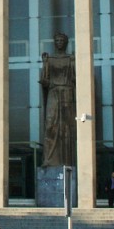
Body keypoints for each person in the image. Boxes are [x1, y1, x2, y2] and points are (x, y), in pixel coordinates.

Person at [40, 32, 76, 167]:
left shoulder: (70, 58)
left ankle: (66, 160)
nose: (59, 42)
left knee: (66, 126)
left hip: (67, 92)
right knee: (50, 125)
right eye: (57, 40)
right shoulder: (49, 59)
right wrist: (44, 64)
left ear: (66, 43)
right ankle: (49, 159)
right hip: (53, 92)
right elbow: (45, 80)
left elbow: (75, 78)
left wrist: (74, 62)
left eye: (62, 40)